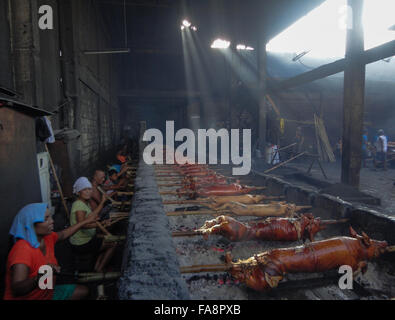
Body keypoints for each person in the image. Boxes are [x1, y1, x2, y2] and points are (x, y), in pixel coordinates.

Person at [4, 203, 96, 300]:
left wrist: (85, 222)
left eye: (50, 217)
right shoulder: (22, 250)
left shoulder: (47, 238)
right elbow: (17, 288)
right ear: (30, 224)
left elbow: (64, 234)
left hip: (47, 294)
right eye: (46, 219)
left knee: (84, 291)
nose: (52, 221)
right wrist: (39, 277)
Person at [69, 177, 116, 273]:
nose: (88, 192)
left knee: (106, 237)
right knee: (113, 244)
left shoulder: (85, 203)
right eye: (85, 190)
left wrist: (102, 203)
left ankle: (96, 266)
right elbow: (82, 225)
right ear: (78, 192)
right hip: (81, 243)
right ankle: (100, 268)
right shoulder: (78, 205)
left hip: (87, 238)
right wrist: (100, 224)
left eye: (89, 189)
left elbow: (92, 216)